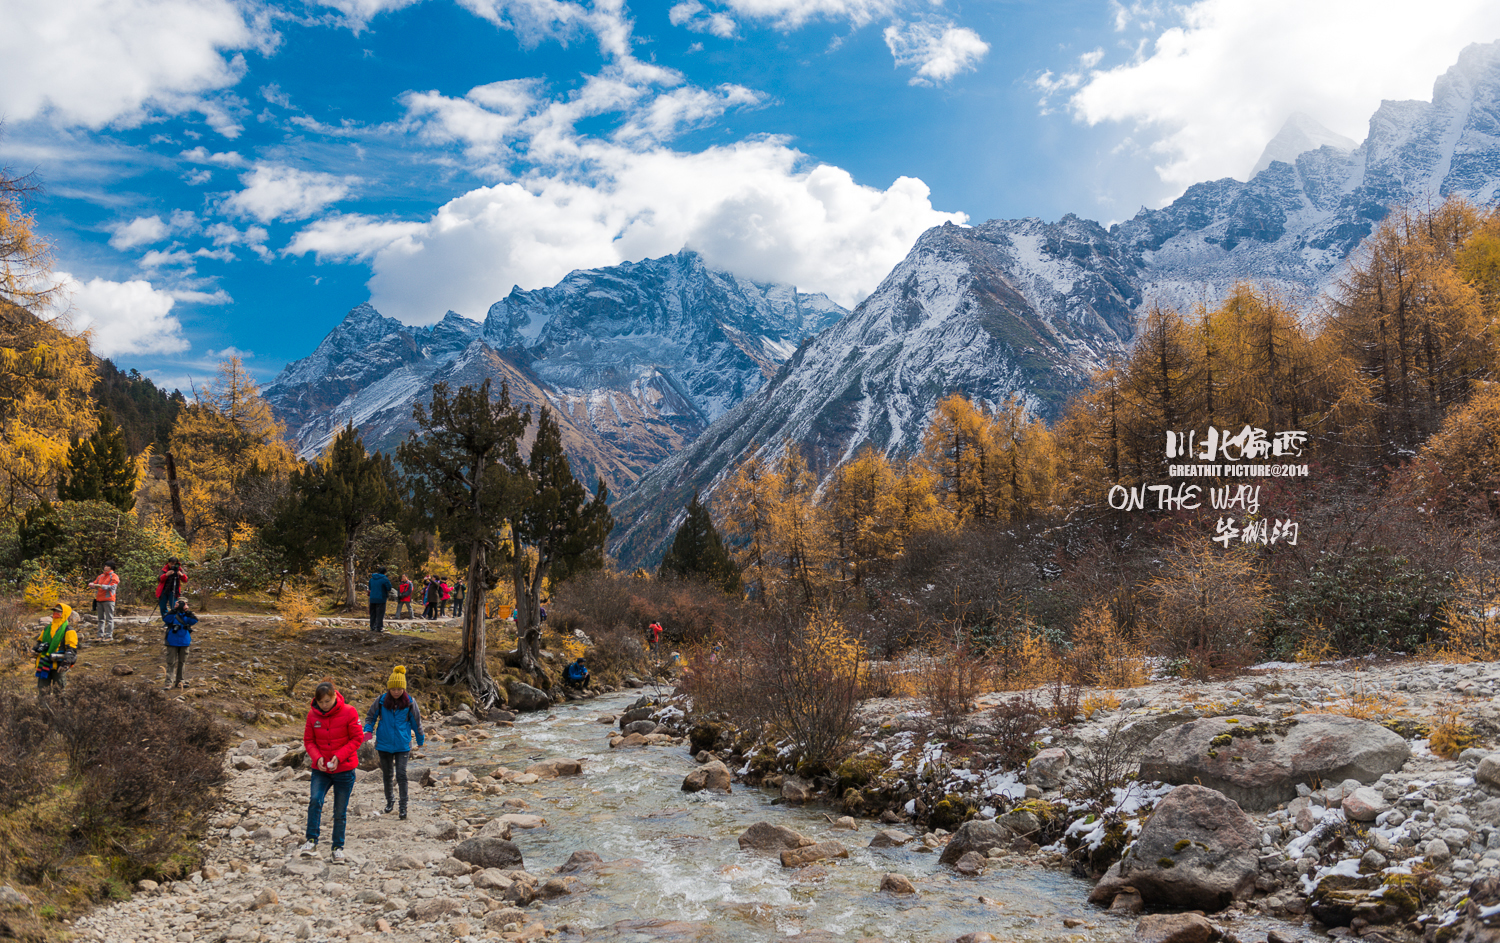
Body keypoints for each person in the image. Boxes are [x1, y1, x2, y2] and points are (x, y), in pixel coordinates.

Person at [299, 680, 364, 862]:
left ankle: (337, 848)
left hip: (344, 769)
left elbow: (357, 737)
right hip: (320, 770)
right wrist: (317, 757)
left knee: (339, 810)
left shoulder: (350, 711)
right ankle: (311, 841)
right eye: (321, 702)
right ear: (316, 701)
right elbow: (309, 740)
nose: (324, 705)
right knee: (315, 800)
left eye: (327, 701)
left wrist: (339, 756)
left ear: (335, 696)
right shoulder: (312, 715)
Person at [363, 666, 425, 820]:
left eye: (399, 689)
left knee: (402, 774)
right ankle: (390, 801)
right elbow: (370, 717)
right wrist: (368, 731)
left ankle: (403, 807)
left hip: (403, 745)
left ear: (403, 688)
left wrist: (420, 738)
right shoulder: (381, 700)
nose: (396, 691)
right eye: (393, 689)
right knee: (387, 774)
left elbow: (416, 722)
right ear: (389, 688)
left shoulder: (410, 702)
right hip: (383, 744)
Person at [34, 603, 77, 699]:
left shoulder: (68, 630)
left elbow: (72, 648)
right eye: (54, 611)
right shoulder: (47, 628)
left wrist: (66, 663)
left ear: (65, 613)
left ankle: (61, 713)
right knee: (43, 692)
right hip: (44, 663)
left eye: (58, 611)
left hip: (59, 666)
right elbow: (39, 642)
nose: (55, 613)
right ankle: (43, 712)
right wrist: (35, 650)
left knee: (60, 694)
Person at [162, 598, 198, 689]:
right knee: (171, 662)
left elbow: (194, 621)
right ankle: (168, 682)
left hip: (184, 641)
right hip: (172, 641)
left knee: (182, 662)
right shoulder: (173, 614)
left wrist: (187, 611)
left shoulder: (187, 614)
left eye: (184, 603)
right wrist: (174, 610)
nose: (182, 605)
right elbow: (166, 619)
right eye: (180, 603)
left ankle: (180, 682)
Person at [88, 560, 120, 641]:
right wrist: (92, 584)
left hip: (109, 600)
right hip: (99, 599)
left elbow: (113, 587)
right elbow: (95, 583)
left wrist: (101, 586)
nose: (105, 568)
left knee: (109, 619)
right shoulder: (100, 576)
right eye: (105, 566)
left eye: (107, 566)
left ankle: (109, 636)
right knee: (100, 619)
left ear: (111, 567)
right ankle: (100, 636)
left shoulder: (114, 576)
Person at [368, 566, 394, 633]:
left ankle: (372, 626)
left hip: (372, 598)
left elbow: (370, 587)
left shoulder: (371, 579)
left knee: (373, 613)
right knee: (380, 614)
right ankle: (379, 627)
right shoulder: (384, 579)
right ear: (385, 572)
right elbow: (389, 588)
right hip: (381, 598)